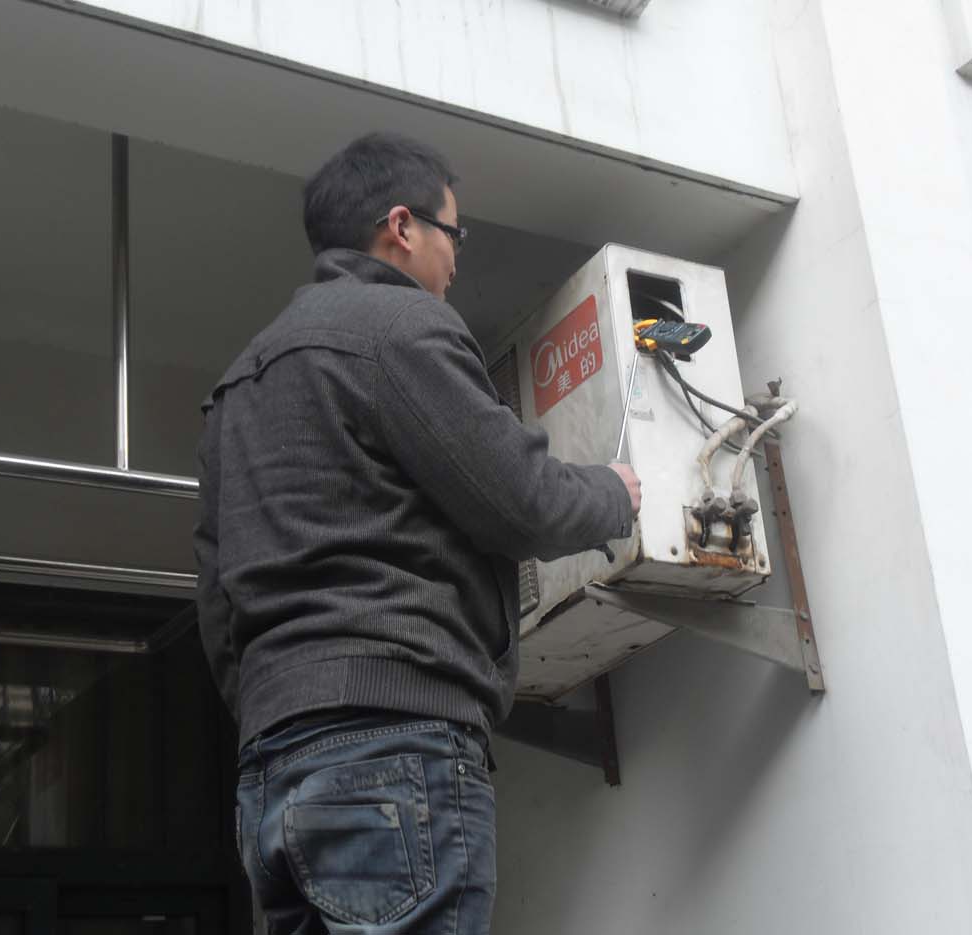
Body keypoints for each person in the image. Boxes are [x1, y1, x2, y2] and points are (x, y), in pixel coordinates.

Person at [193, 131, 641, 935]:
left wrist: (287, 701)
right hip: (390, 745)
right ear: (401, 226)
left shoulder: (237, 387)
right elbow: (518, 499)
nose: (456, 260)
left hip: (270, 772)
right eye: (453, 234)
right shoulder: (399, 325)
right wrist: (614, 494)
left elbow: (218, 600)